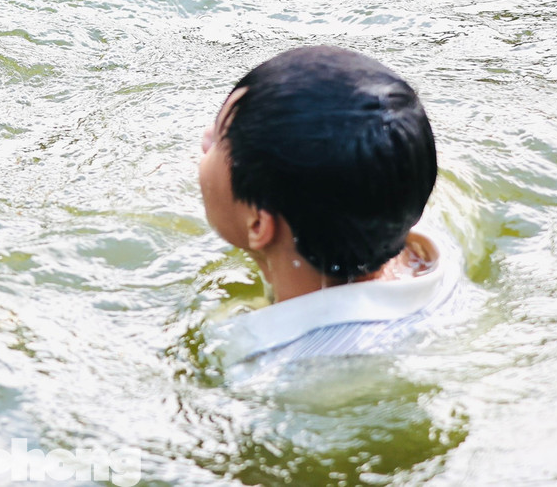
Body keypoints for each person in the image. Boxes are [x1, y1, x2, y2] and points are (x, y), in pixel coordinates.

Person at [197, 45, 463, 364]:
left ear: (258, 224)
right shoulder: (432, 257)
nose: (206, 137)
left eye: (220, 139)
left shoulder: (265, 369)